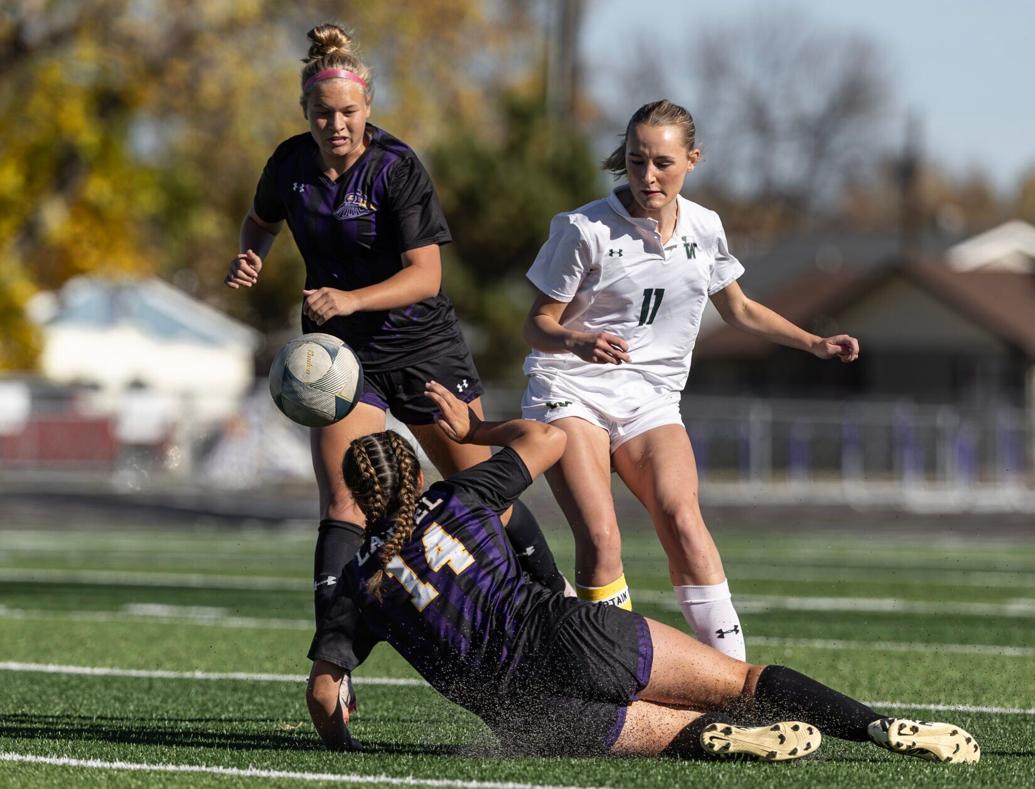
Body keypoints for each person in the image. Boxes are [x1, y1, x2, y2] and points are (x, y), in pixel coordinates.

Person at [318, 380, 978, 766]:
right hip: (574, 633)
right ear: (414, 474)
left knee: (669, 730)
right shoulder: (459, 496)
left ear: (356, 495)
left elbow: (324, 694)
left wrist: (343, 747)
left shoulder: (357, 584)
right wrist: (476, 428)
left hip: (527, 712)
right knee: (742, 681)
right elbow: (549, 437)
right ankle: (874, 726)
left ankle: (727, 740)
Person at [224, 23, 566, 738]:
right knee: (344, 500)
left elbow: (426, 275)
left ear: (368, 107)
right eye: (323, 114)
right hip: (340, 358)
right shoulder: (288, 164)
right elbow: (259, 221)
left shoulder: (397, 167)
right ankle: (332, 667)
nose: (336, 125)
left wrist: (350, 298)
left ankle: (556, 601)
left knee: (482, 491)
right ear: (305, 112)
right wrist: (250, 254)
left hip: (421, 348)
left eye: (348, 112)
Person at [521, 99, 862, 660]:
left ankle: (736, 681)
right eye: (636, 162)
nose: (648, 176)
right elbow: (536, 325)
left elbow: (739, 309)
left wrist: (813, 342)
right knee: (602, 537)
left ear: (693, 160)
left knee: (683, 521)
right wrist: (576, 340)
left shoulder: (705, 227)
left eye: (663, 163)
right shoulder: (584, 229)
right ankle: (617, 680)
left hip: (651, 397)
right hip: (572, 388)